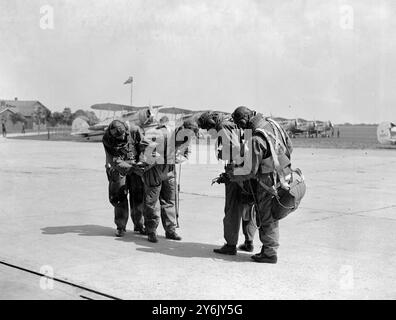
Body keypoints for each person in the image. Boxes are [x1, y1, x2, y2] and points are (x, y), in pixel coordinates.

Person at [229, 106, 305, 263]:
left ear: (244, 121)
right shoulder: (273, 125)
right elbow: (289, 147)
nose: (243, 130)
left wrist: (232, 174)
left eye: (241, 126)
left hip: (268, 180)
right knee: (272, 213)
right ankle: (268, 249)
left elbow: (249, 171)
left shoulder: (256, 139)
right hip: (285, 173)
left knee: (267, 215)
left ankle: (270, 253)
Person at [197, 111, 257, 255]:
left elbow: (235, 150)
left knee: (232, 208)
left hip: (236, 172)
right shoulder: (235, 123)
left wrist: (223, 157)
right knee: (247, 206)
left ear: (211, 123)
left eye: (208, 129)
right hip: (247, 171)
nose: (209, 132)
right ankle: (249, 242)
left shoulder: (224, 126)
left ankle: (230, 245)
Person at [137, 119, 197, 243]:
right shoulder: (159, 133)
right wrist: (157, 156)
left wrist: (176, 158)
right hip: (154, 170)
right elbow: (143, 150)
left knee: (170, 201)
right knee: (151, 202)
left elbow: (186, 154)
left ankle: (170, 230)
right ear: (181, 129)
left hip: (169, 170)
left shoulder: (188, 137)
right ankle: (151, 231)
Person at [102, 120, 146, 237]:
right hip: (119, 166)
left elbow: (143, 146)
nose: (121, 138)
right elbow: (113, 159)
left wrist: (141, 161)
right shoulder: (107, 138)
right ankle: (121, 226)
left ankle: (139, 225)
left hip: (136, 166)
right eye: (118, 137)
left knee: (138, 195)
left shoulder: (134, 130)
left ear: (126, 130)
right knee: (119, 196)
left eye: (122, 135)